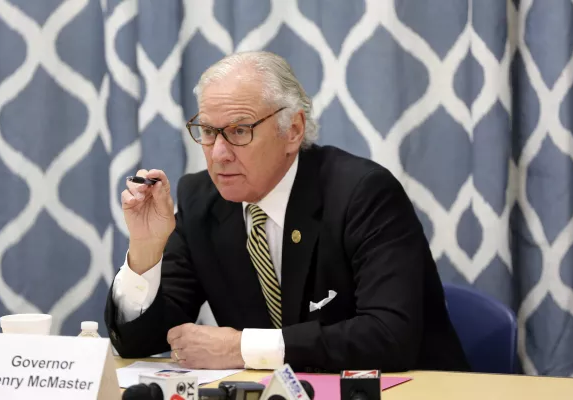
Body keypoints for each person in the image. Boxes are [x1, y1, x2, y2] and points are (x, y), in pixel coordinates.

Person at [104, 51, 469, 373]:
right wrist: (146, 251)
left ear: (292, 129)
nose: (219, 154)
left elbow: (390, 335)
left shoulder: (363, 193)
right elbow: (139, 344)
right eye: (208, 132)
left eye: (238, 131)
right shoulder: (201, 199)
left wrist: (242, 348)